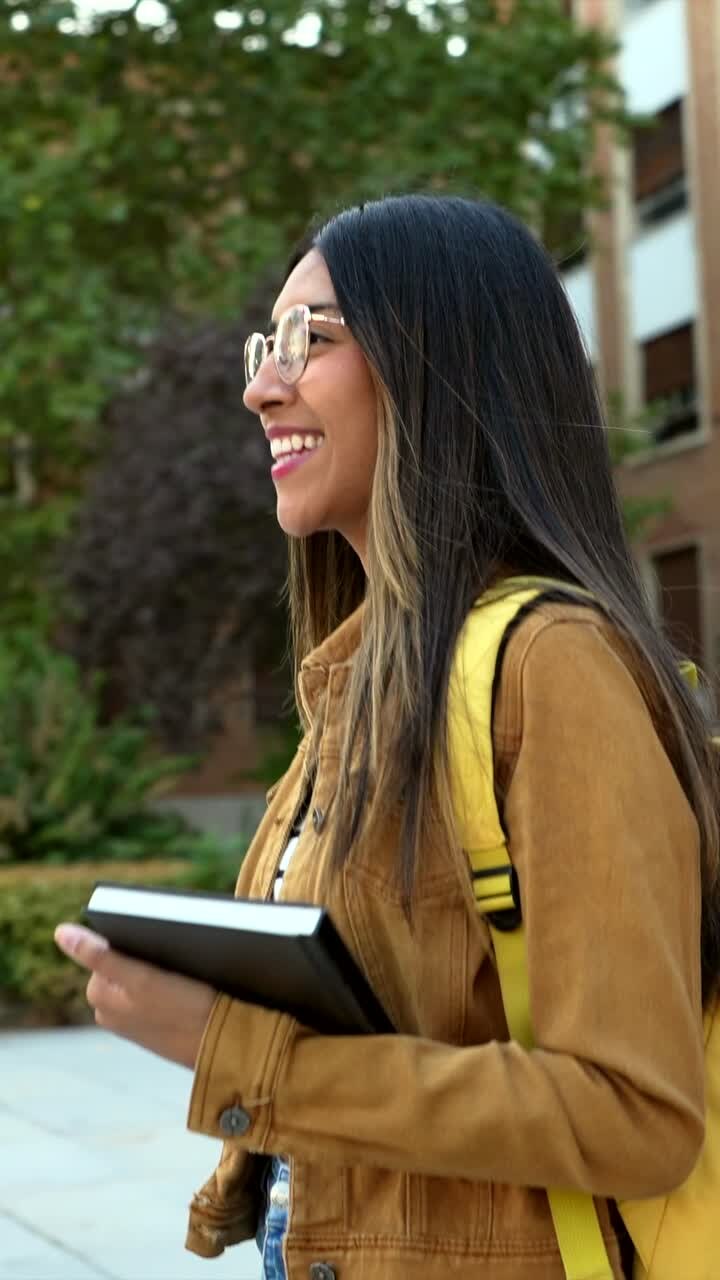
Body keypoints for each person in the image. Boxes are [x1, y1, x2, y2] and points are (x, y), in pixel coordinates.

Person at [55, 194, 720, 1280]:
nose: (258, 383)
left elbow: (633, 1111)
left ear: (439, 359)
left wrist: (243, 1052)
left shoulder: (553, 667)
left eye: (308, 339)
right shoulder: (359, 683)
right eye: (263, 344)